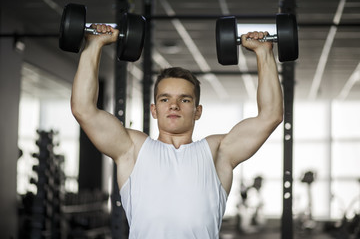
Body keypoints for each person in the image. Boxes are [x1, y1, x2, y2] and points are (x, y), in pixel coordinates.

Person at [71, 23, 283, 239]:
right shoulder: (132, 149)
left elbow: (270, 116)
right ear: (154, 110)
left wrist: (264, 52)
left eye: (184, 99)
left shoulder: (218, 153)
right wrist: (94, 44)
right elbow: (84, 109)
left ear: (197, 111)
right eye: (165, 99)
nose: (174, 105)